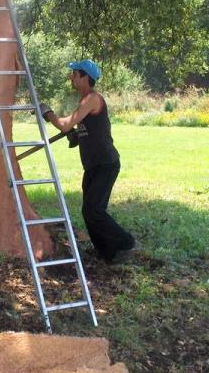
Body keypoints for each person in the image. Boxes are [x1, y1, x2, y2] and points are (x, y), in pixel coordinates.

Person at [39, 60, 137, 263]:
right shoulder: (85, 102)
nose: (71, 77)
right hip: (92, 166)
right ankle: (106, 252)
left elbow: (65, 125)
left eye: (74, 74)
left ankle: (126, 243)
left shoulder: (92, 99)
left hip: (106, 164)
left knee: (94, 210)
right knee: (88, 212)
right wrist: (76, 136)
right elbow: (81, 131)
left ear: (85, 77)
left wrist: (47, 113)